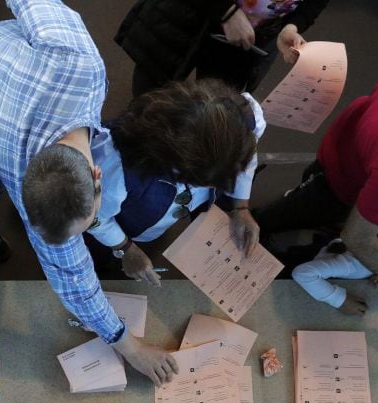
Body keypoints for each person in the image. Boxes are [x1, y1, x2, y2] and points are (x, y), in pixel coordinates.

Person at [0, 0, 177, 384]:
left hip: (1, 67)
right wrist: (130, 347)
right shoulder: (20, 173)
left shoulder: (78, 61)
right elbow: (74, 280)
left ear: (95, 176)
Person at [86, 79, 262, 284]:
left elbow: (247, 157)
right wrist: (125, 248)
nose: (215, 188)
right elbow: (95, 217)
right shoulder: (114, 168)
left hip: (148, 219)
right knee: (96, 256)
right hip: (118, 225)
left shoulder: (242, 120)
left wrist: (241, 207)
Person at [255, 72, 378, 286]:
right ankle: (253, 228)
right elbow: (357, 238)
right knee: (285, 214)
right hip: (338, 182)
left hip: (349, 148)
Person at [115, 0, 328, 96]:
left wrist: (292, 26)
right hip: (187, 15)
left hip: (250, 39)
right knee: (153, 92)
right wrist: (226, 11)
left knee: (212, 105)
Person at [292, 239, 378, 315]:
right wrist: (340, 301)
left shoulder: (375, 260)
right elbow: (302, 273)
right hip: (303, 265)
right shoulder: (352, 266)